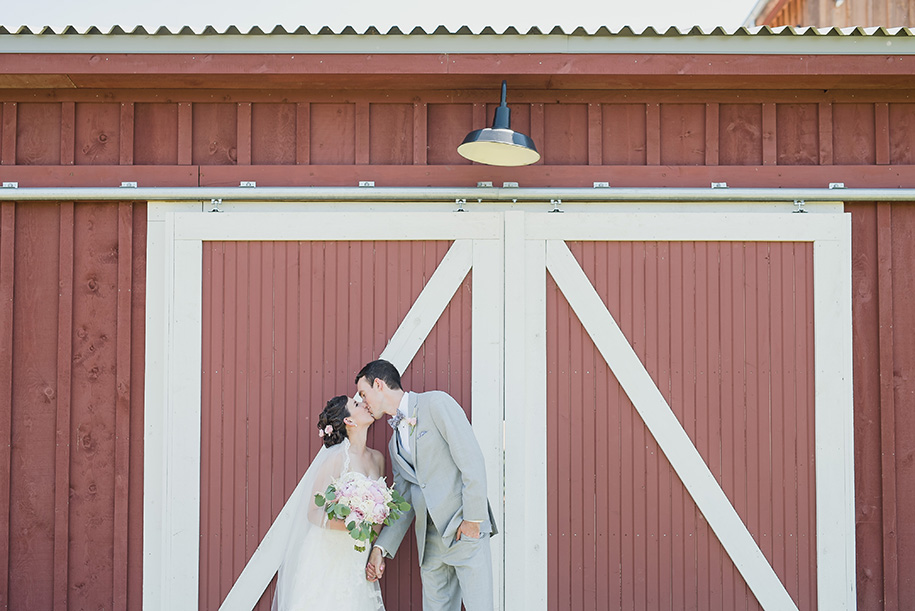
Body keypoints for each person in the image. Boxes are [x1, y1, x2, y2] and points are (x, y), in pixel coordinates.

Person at [357, 359, 497, 611]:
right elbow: (403, 499)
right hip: (429, 542)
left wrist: (473, 521)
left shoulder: (436, 404)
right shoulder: (394, 445)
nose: (363, 401)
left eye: (364, 393)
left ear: (378, 384)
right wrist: (381, 547)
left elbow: (472, 460)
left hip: (464, 529)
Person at [272, 395, 387, 611]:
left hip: (357, 553)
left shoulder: (378, 459)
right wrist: (347, 525)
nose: (364, 404)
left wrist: (372, 552)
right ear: (349, 421)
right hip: (327, 552)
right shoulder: (335, 459)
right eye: (356, 404)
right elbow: (313, 512)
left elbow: (379, 511)